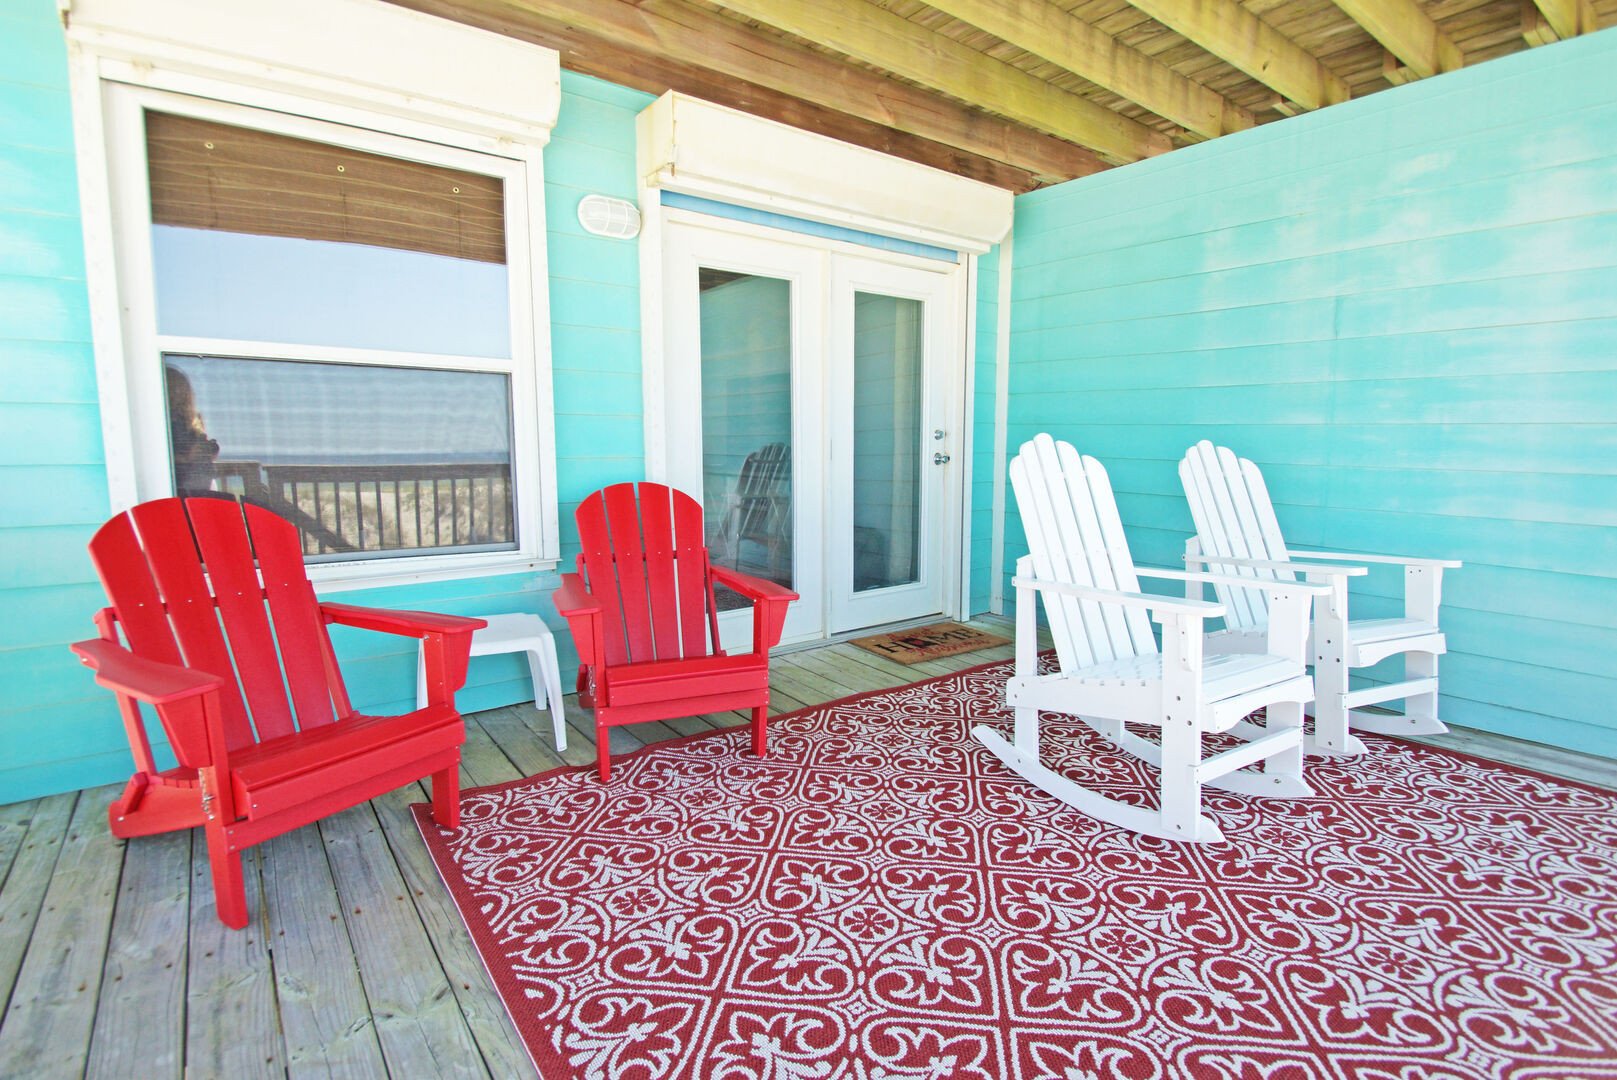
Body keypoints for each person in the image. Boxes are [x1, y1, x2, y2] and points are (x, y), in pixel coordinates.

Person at [167, 366, 220, 495]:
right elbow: (177, 459)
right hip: (193, 490)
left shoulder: (180, 425)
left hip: (193, 489)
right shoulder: (177, 426)